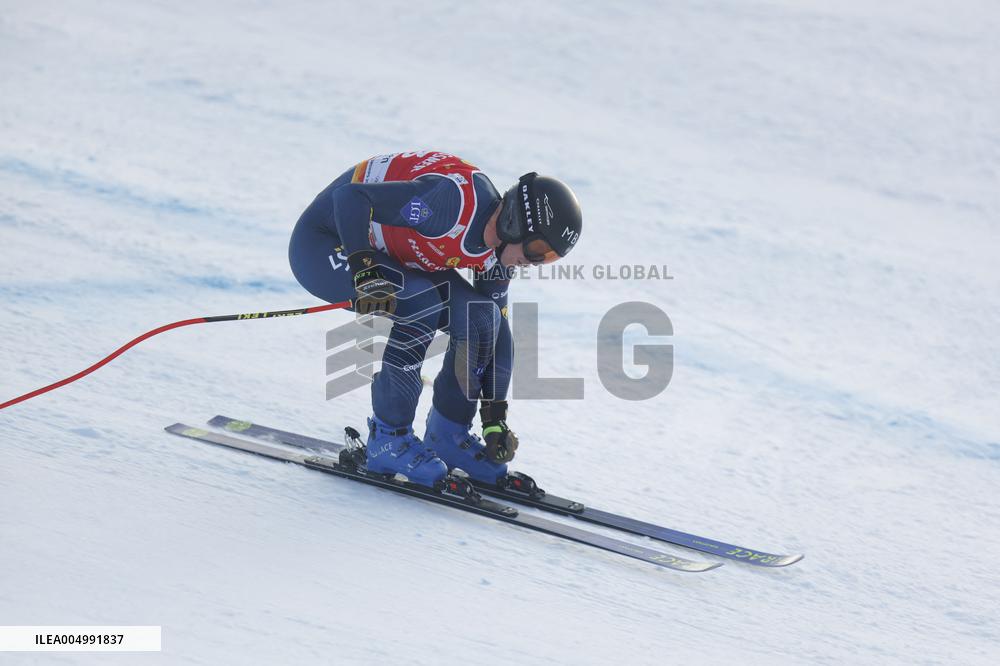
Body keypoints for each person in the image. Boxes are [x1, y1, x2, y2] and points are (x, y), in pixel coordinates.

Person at [288, 151, 582, 488]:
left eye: (549, 258)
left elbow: (497, 334)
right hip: (327, 241)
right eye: (538, 250)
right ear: (515, 221)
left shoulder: (498, 254)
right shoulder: (445, 206)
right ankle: (388, 439)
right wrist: (363, 265)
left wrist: (495, 417)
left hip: (389, 252)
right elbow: (351, 197)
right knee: (421, 303)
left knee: (482, 319)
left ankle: (448, 433)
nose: (535, 262)